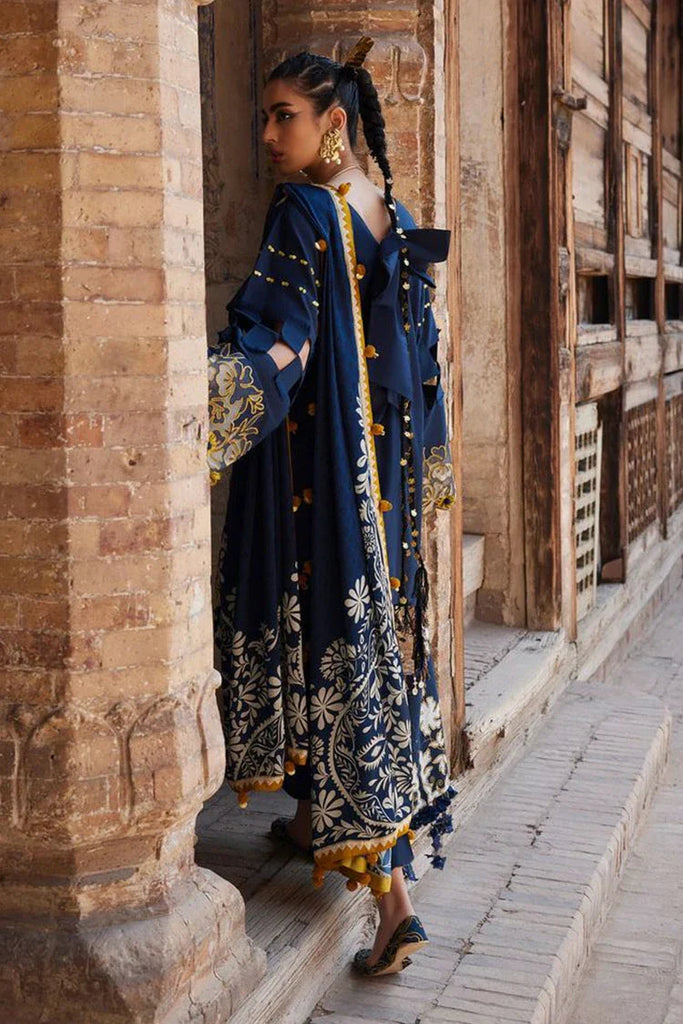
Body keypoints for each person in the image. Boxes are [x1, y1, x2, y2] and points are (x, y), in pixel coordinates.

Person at [207, 35, 457, 976]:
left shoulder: (304, 211)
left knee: (336, 645)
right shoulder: (390, 213)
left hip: (324, 477)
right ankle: (316, 815)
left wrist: (208, 402)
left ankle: (393, 906)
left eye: (285, 117)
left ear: (333, 123)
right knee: (366, 641)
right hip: (383, 477)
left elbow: (284, 340)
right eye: (264, 118)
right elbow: (421, 358)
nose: (270, 136)